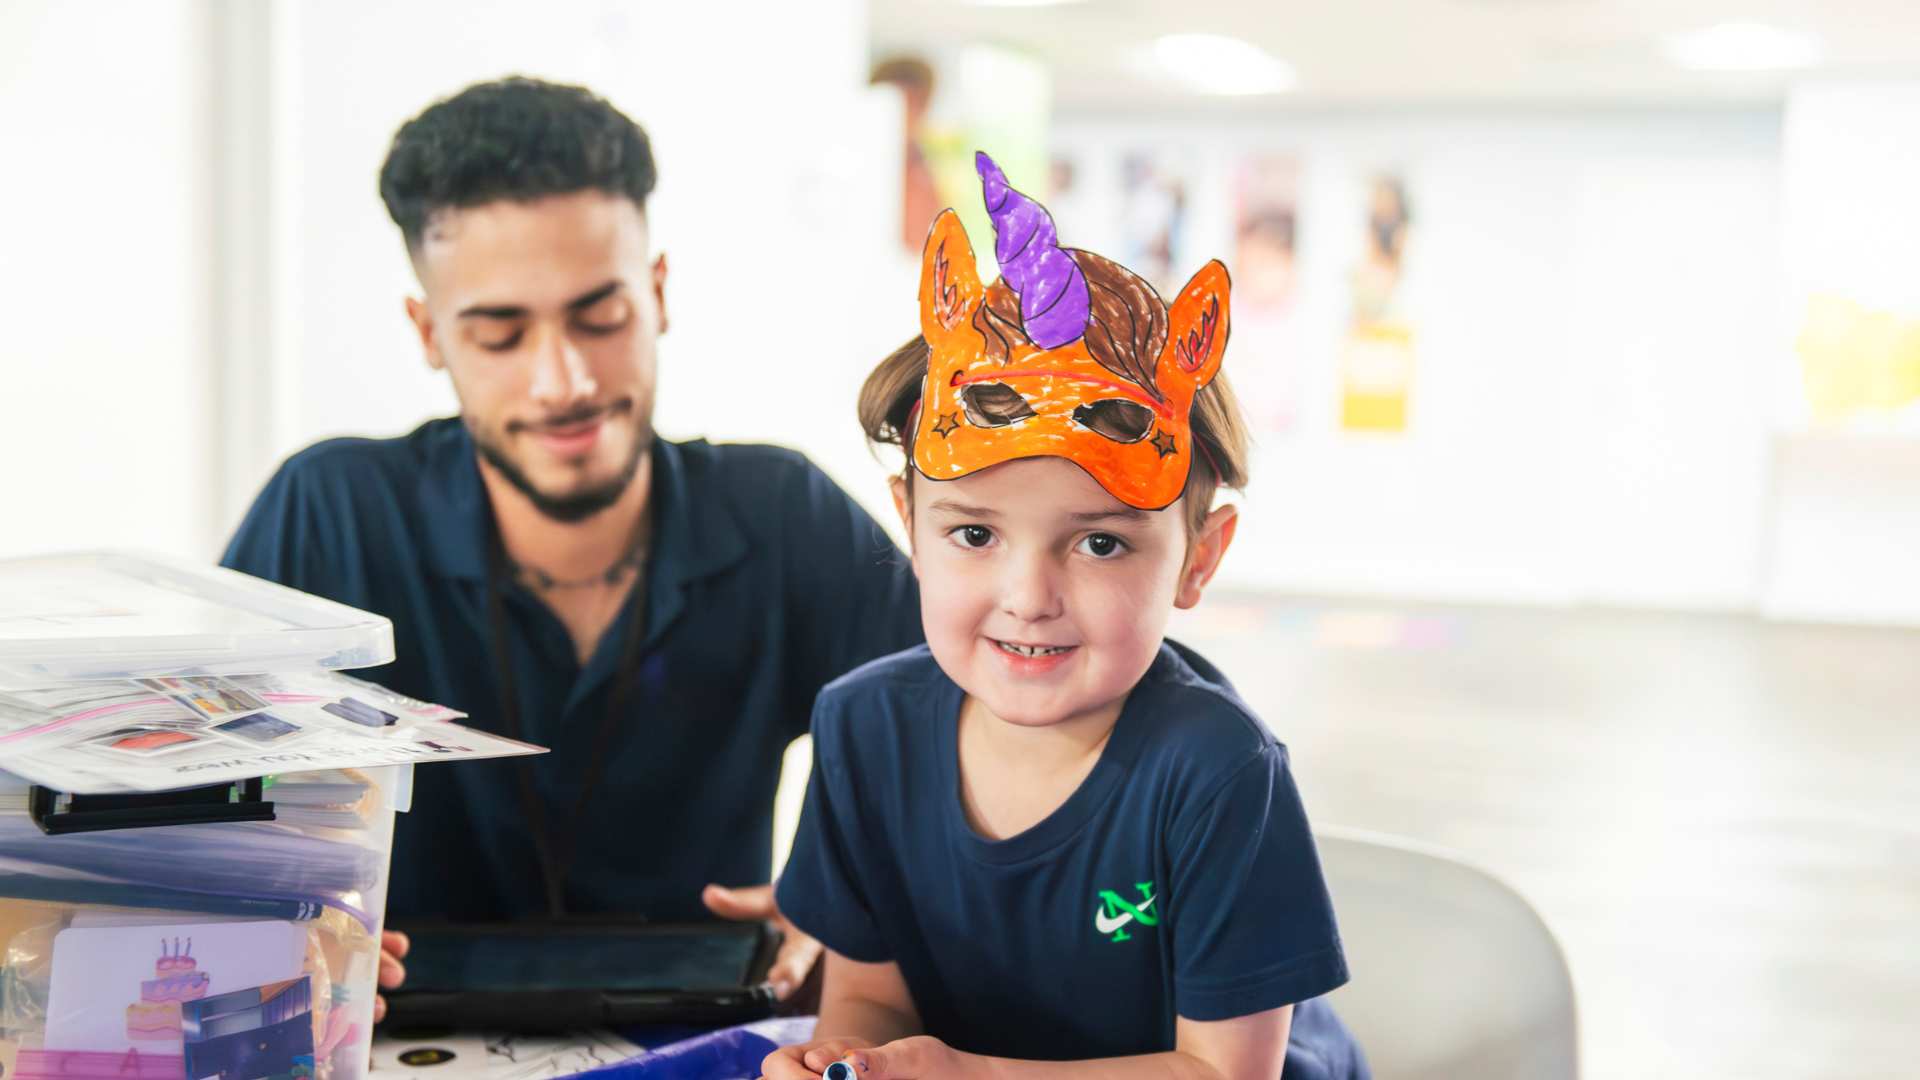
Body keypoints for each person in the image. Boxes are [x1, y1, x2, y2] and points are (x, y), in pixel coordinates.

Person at [220, 77, 922, 1016]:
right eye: (500, 334)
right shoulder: (331, 513)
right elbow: (179, 805)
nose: (566, 381)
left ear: (658, 293)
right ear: (430, 333)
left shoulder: (783, 514)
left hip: (704, 1040)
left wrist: (861, 896)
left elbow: (975, 736)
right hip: (389, 1041)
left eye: (601, 318)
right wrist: (266, 926)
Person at [762, 155, 1366, 1078]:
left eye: (1100, 544)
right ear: (910, 527)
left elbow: (1222, 1073)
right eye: (974, 534)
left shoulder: (1218, 772)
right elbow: (871, 998)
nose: (1029, 595)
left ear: (1198, 559)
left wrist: (974, 1077)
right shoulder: (862, 730)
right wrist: (852, 1064)